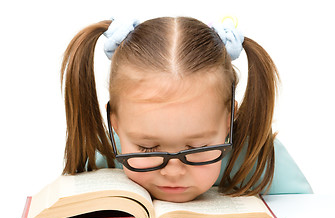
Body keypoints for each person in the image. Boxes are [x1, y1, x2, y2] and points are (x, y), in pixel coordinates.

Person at [60, 16, 312, 203]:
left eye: (198, 148)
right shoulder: (102, 157)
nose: (173, 171)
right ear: (115, 122)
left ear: (228, 120)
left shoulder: (260, 158)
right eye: (147, 148)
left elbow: (308, 217)